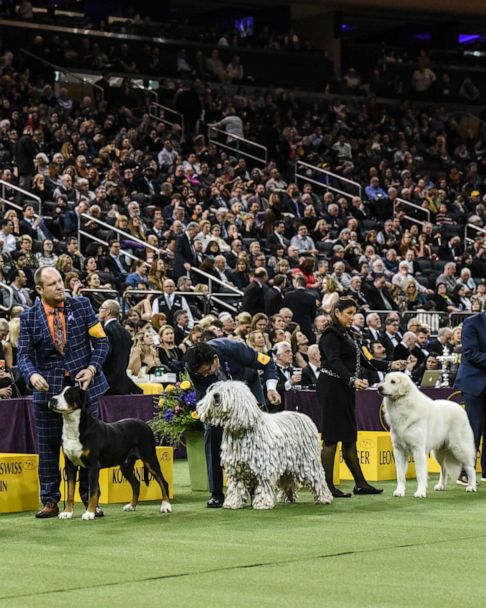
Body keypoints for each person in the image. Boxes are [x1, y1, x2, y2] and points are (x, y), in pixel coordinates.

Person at [18, 267, 109, 518]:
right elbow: (24, 355)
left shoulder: (82, 306)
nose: (60, 286)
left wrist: (92, 368)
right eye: (53, 284)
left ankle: (89, 500)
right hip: (48, 394)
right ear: (39, 289)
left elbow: (102, 341)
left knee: (89, 449)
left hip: (83, 392)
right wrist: (32, 374)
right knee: (48, 449)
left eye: (60, 281)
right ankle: (50, 500)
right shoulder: (28, 317)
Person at [317, 296, 406, 498]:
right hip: (332, 388)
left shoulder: (350, 335)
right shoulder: (330, 335)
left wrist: (391, 365)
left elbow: (366, 360)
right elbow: (334, 361)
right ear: (337, 312)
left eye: (354, 314)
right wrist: (351, 379)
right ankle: (325, 486)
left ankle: (361, 484)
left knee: (349, 437)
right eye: (348, 313)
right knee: (331, 439)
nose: (352, 317)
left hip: (345, 388)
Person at [184, 339, 280, 508]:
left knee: (258, 439)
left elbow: (267, 363)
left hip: (249, 391)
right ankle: (216, 492)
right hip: (218, 399)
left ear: (215, 359)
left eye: (208, 370)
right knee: (211, 433)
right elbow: (203, 392)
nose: (206, 374)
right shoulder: (194, 368)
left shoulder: (234, 349)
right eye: (202, 373)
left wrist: (271, 387)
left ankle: (258, 488)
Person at [454, 313, 486, 481]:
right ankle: (465, 472)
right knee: (472, 429)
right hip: (474, 383)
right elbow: (470, 352)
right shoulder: (472, 323)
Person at [98, 299, 142, 395]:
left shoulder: (106, 330)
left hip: (108, 385)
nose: (99, 310)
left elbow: (105, 357)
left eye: (101, 308)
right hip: (122, 383)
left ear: (108, 311)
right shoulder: (126, 333)